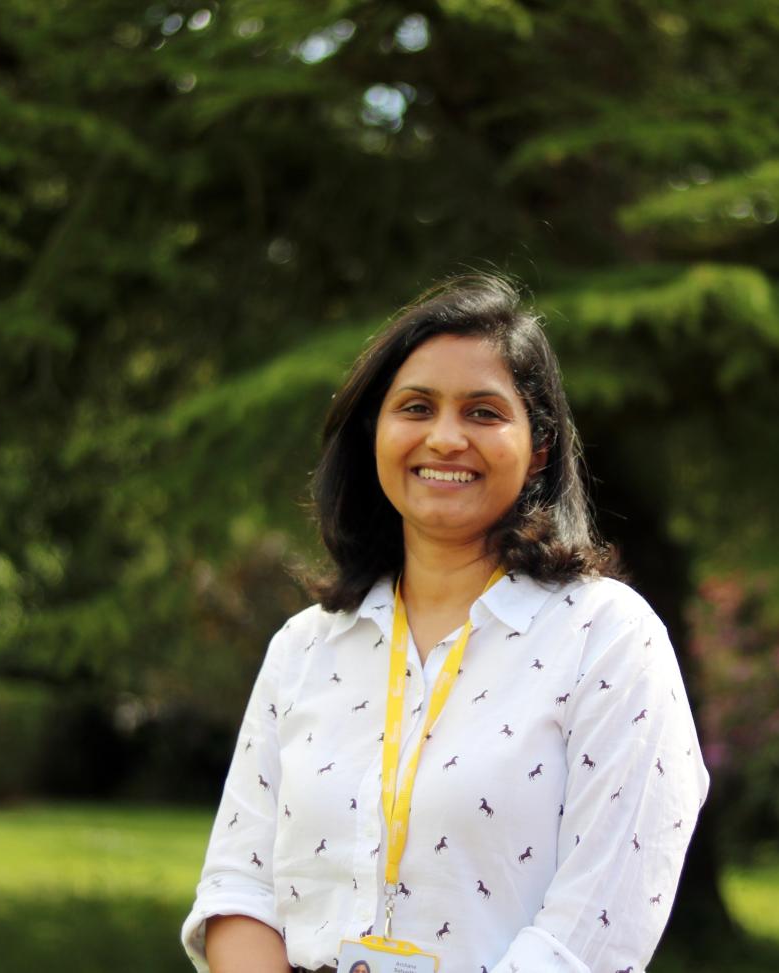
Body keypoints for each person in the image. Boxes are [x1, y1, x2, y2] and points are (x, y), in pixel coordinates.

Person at [182, 275, 709, 973]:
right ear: (375, 434)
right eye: (416, 407)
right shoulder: (305, 647)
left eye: (484, 412)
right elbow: (237, 888)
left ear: (539, 447)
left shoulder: (606, 639)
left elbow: (596, 926)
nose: (446, 437)